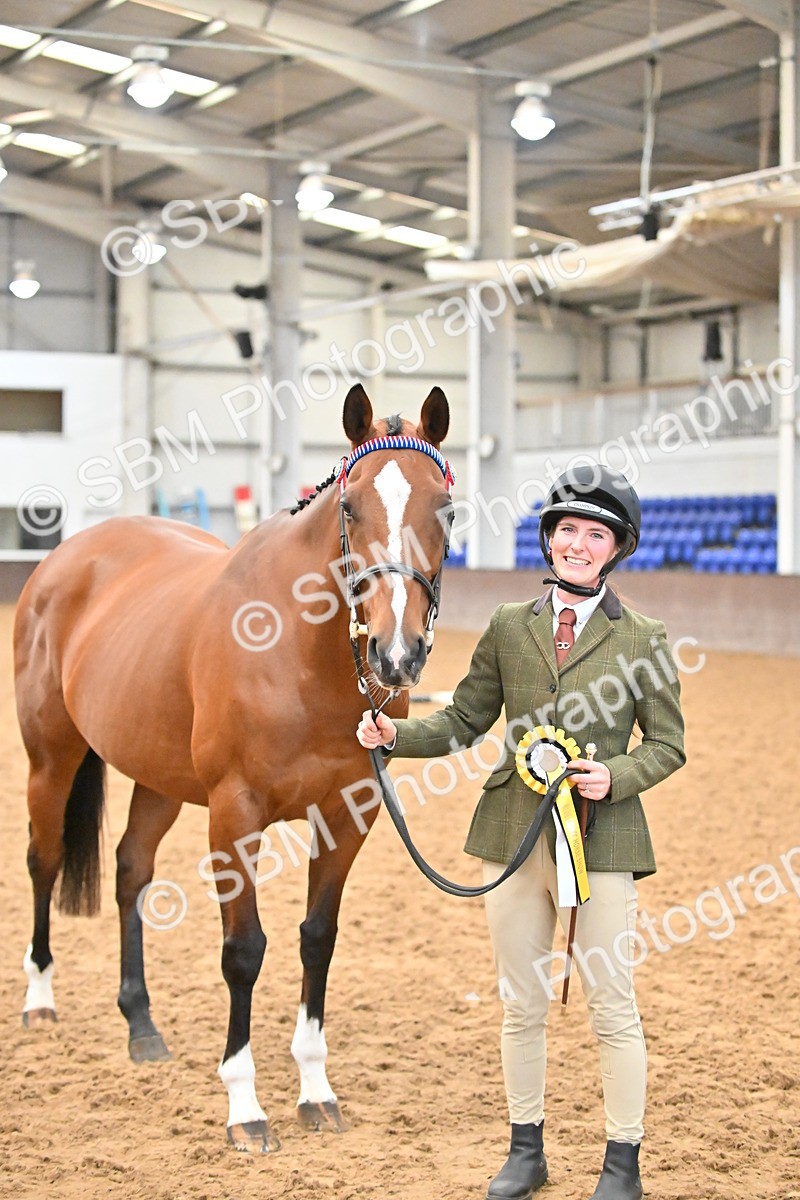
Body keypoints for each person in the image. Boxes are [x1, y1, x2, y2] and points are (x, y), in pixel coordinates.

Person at [357, 465, 685, 1200]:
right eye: (567, 530)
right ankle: (525, 1151)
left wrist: (615, 776)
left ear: (616, 548)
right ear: (549, 539)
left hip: (601, 839)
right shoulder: (510, 625)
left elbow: (668, 744)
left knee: (611, 1004)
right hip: (512, 833)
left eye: (594, 534)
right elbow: (465, 719)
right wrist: (395, 735)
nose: (578, 544)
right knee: (521, 1003)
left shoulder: (644, 638)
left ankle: (622, 1164)